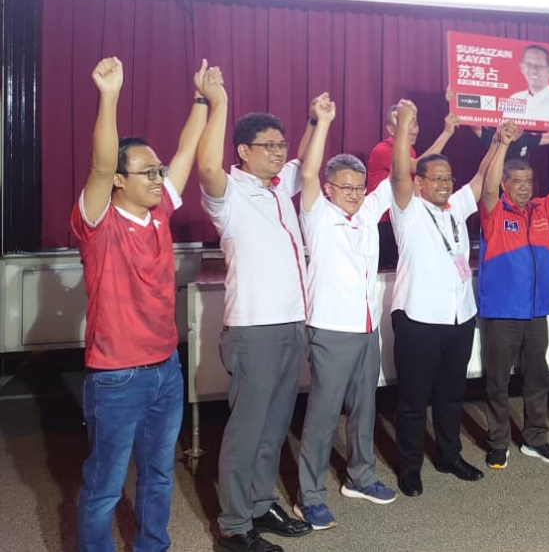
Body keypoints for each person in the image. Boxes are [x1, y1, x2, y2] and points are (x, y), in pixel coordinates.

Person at [72, 57, 209, 552]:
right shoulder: (99, 223)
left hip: (165, 370)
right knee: (106, 486)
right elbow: (101, 164)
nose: (158, 177)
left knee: (158, 475)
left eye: (159, 170)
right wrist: (109, 96)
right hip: (116, 378)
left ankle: (153, 545)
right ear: (119, 181)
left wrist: (202, 99)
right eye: (147, 171)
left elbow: (188, 150)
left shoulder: (161, 212)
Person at [198, 80, 320, 552]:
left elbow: (300, 160)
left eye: (280, 144)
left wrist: (312, 123)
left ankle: (258, 502)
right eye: (268, 146)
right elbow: (207, 164)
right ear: (243, 151)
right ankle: (232, 524)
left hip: (292, 324)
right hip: (254, 329)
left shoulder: (275, 187)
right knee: (246, 428)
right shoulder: (229, 193)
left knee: (274, 425)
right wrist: (220, 101)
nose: (278, 152)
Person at [293, 94, 397, 531]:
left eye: (359, 187)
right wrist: (322, 122)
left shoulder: (369, 213)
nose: (355, 194)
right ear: (330, 189)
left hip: (366, 329)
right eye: (346, 188)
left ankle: (360, 476)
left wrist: (403, 134)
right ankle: (309, 496)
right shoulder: (317, 214)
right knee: (322, 413)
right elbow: (308, 171)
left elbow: (398, 176)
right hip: (330, 331)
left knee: (365, 407)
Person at [389, 100, 498, 497]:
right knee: (414, 399)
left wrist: (499, 142)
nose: (445, 183)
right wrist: (403, 124)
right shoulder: (408, 209)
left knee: (452, 394)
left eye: (448, 178)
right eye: (437, 178)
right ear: (420, 182)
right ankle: (409, 467)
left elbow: (483, 174)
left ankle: (449, 456)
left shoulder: (456, 207)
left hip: (459, 316)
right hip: (419, 317)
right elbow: (400, 170)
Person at [478, 122, 549, 470]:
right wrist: (502, 144)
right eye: (518, 181)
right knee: (498, 381)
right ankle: (499, 442)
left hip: (536, 312)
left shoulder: (542, 210)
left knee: (537, 378)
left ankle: (535, 438)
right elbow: (486, 187)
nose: (525, 187)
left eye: (529, 181)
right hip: (502, 312)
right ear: (505, 185)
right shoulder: (494, 212)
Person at [367, 104, 459, 269]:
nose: (413, 130)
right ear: (390, 128)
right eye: (405, 123)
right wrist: (446, 133)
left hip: (405, 221)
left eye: (414, 124)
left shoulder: (410, 150)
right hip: (384, 226)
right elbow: (418, 166)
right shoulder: (382, 150)